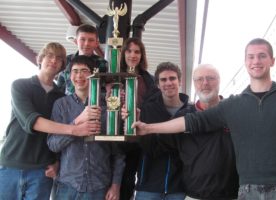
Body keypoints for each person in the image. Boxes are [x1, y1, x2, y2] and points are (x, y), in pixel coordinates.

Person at [132, 38, 276, 200]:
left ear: (272, 60)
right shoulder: (222, 107)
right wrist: (146, 128)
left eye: (262, 55)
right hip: (229, 193)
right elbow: (186, 126)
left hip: (272, 190)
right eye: (251, 56)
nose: (256, 61)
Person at [0, 42, 100, 200]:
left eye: (59, 58)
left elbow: (61, 141)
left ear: (62, 66)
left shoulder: (61, 98)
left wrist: (57, 162)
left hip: (43, 170)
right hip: (10, 165)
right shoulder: (20, 86)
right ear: (40, 58)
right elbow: (32, 122)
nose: (54, 60)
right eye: (49, 55)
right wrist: (75, 128)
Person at [48, 55, 125, 200]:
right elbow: (53, 144)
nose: (79, 75)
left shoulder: (109, 105)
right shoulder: (61, 105)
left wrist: (116, 185)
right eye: (75, 71)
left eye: (84, 70)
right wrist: (75, 127)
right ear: (69, 76)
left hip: (98, 186)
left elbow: (118, 151)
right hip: (66, 185)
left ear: (93, 75)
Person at [157, 64, 239, 200]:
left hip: (233, 195)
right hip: (194, 195)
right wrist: (134, 120)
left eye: (210, 78)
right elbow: (161, 147)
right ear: (194, 83)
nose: (205, 83)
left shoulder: (235, 112)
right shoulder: (182, 117)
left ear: (219, 80)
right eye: (199, 79)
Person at [124, 62, 193, 199]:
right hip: (148, 185)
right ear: (157, 84)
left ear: (180, 81)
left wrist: (157, 137)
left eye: (172, 78)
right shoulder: (146, 110)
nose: (168, 83)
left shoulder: (191, 112)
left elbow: (189, 147)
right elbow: (146, 145)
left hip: (179, 187)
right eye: (163, 79)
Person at [119, 37, 158, 200]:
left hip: (137, 138)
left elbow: (154, 105)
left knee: (129, 179)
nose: (133, 55)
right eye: (129, 51)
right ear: (123, 53)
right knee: (112, 179)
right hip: (114, 137)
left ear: (142, 55)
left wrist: (140, 111)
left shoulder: (148, 79)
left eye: (137, 51)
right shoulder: (113, 74)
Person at [57, 23, 107, 95]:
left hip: (94, 104)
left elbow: (106, 89)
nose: (86, 43)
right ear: (76, 41)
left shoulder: (103, 64)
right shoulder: (66, 61)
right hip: (69, 104)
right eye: (82, 39)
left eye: (91, 40)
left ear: (97, 43)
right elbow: (59, 89)